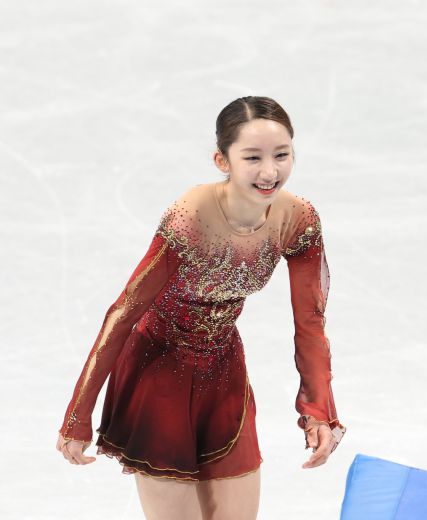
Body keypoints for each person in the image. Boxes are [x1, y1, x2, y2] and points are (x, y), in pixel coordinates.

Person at [55, 95, 347, 520]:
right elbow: (125, 312)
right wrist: (78, 416)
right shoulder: (192, 217)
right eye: (253, 157)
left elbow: (310, 324)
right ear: (222, 160)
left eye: (282, 155)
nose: (270, 172)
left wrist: (319, 413)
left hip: (224, 373)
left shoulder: (298, 220)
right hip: (159, 375)